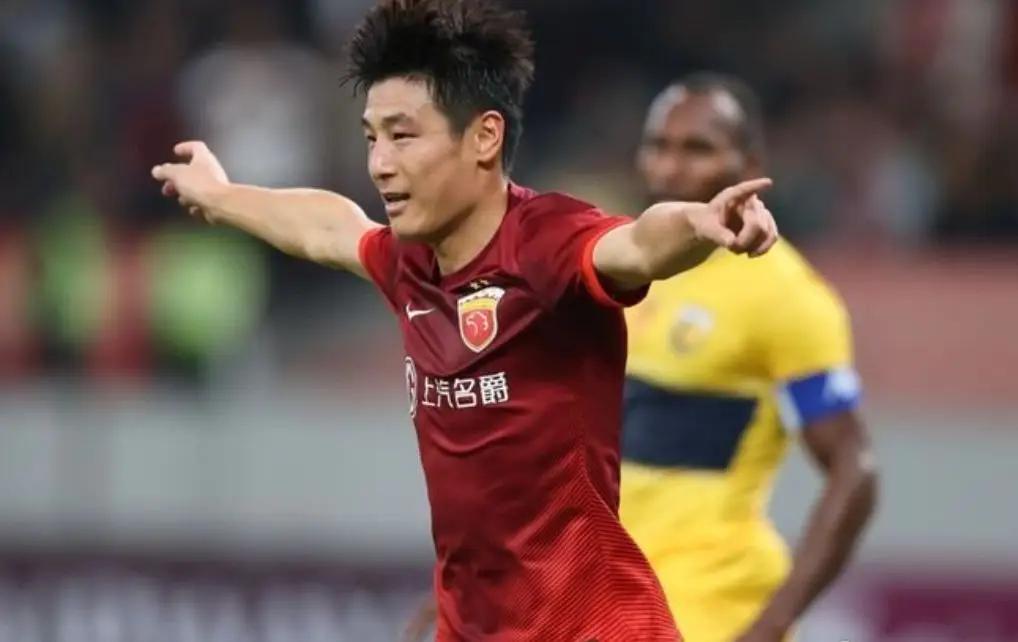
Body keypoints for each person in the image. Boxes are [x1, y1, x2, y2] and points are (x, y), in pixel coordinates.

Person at [151, 3, 778, 639]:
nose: (380, 164)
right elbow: (328, 229)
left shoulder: (547, 243)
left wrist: (701, 223)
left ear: (484, 137)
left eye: (403, 136)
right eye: (371, 138)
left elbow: (637, 244)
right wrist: (222, 196)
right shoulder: (410, 262)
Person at [619, 73, 878, 642]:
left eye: (697, 149)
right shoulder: (620, 264)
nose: (670, 168)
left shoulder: (783, 295)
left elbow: (854, 469)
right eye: (658, 146)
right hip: (598, 599)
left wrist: (769, 626)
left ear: (750, 162)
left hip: (706, 607)